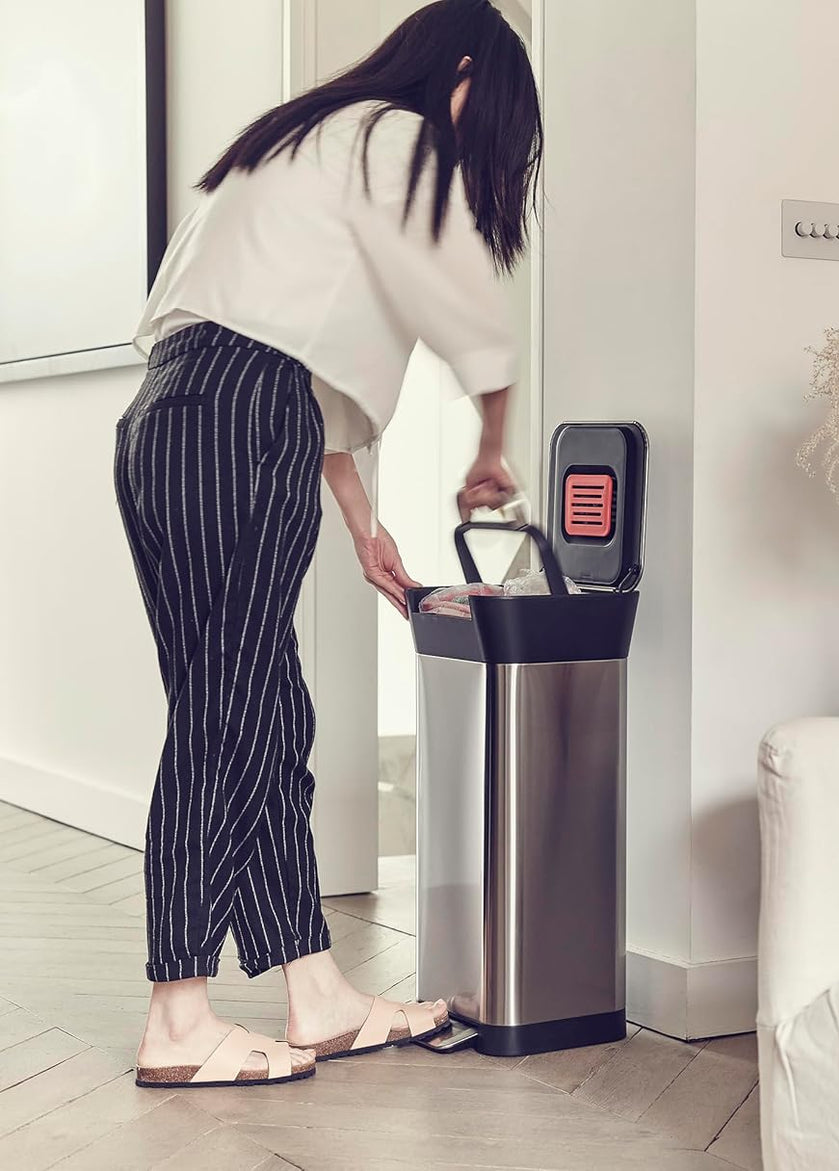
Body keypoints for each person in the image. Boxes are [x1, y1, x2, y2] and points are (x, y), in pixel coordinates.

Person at [114, 0, 539, 1088]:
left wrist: (364, 526)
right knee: (226, 704)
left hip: (175, 417)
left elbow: (273, 340)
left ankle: (315, 991)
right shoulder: (394, 134)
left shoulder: (291, 140)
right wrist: (492, 440)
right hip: (242, 417)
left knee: (258, 701)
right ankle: (177, 1016)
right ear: (458, 72)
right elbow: (466, 309)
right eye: (485, 114)